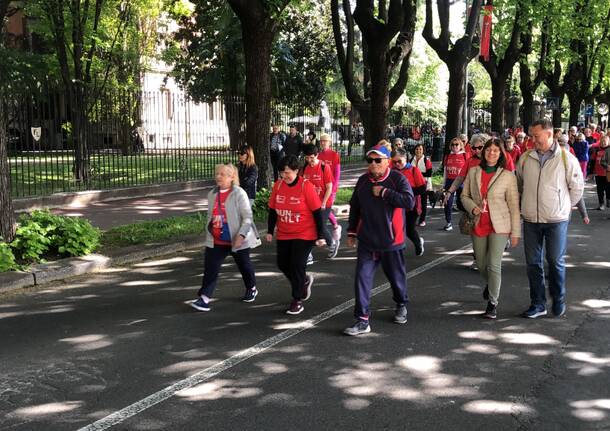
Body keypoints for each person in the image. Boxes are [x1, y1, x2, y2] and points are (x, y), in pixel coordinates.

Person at [344, 142, 414, 336]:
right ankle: (362, 319)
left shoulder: (397, 179)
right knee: (362, 278)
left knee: (396, 278)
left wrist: (384, 192)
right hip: (367, 240)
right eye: (370, 160)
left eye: (377, 160)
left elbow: (409, 201)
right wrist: (351, 232)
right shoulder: (363, 181)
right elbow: (355, 207)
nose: (373, 164)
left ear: (387, 162)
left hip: (392, 241)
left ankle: (401, 303)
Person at [516, 119, 584, 319]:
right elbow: (519, 183)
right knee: (533, 263)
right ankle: (538, 303)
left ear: (548, 134)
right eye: (531, 136)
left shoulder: (566, 158)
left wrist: (564, 206)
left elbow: (577, 187)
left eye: (536, 135)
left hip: (556, 219)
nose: (532, 139)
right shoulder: (526, 158)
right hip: (530, 219)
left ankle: (558, 298)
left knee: (555, 261)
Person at [461, 138, 521, 319]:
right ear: (483, 152)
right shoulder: (473, 172)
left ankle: (493, 302)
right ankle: (492, 284)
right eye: (488, 150)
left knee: (494, 264)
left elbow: (513, 205)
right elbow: (464, 196)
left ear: (501, 153)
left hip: (500, 224)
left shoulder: (508, 175)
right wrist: (472, 206)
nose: (491, 153)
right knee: (481, 265)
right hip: (479, 222)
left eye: (496, 150)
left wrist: (515, 233)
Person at [191, 164, 261, 312]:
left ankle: (251, 287)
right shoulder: (212, 194)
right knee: (211, 268)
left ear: (231, 177)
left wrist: (241, 235)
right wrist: (209, 230)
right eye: (217, 173)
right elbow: (210, 216)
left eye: (222, 174)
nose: (218, 176)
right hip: (217, 238)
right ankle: (204, 298)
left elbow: (247, 217)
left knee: (244, 265)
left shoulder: (239, 193)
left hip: (236, 238)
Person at [266, 155, 327, 315]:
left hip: (305, 233)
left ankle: (297, 299)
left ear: (296, 171)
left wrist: (321, 235)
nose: (284, 176)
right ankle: (303, 281)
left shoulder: (306, 186)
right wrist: (269, 231)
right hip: (285, 232)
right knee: (283, 264)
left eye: (287, 172)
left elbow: (317, 212)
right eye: (281, 172)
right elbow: (273, 209)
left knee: (297, 264)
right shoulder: (278, 186)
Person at [302, 144, 339, 258]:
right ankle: (308, 253)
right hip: (311, 203)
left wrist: (323, 202)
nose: (309, 160)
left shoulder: (324, 167)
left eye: (312, 158)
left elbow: (329, 187)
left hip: (324, 202)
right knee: (309, 226)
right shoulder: (305, 168)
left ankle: (332, 243)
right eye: (307, 158)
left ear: (317, 155)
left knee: (320, 226)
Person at [392, 148, 426, 256]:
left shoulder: (414, 170)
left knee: (409, 229)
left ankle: (418, 243)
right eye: (394, 162)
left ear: (405, 158)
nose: (397, 164)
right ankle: (397, 249)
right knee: (396, 228)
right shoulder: (392, 172)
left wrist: (407, 192)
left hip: (412, 205)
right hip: (397, 204)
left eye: (399, 161)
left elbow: (422, 188)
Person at [317, 133, 342, 243]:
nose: (323, 143)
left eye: (325, 141)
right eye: (321, 141)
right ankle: (336, 226)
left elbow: (337, 173)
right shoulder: (318, 155)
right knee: (323, 209)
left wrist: (334, 188)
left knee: (326, 208)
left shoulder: (334, 155)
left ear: (329, 142)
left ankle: (335, 228)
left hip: (331, 187)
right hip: (321, 188)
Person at [442, 137, 469, 231]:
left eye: (456, 144)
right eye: (452, 145)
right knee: (447, 203)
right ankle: (448, 222)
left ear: (461, 145)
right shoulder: (448, 156)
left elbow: (469, 171)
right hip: (449, 181)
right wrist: (443, 184)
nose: (454, 146)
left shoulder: (465, 156)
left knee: (463, 203)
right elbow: (445, 171)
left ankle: (469, 220)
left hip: (461, 182)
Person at [409, 143, 433, 226]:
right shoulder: (411, 160)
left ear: (423, 150)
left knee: (423, 203)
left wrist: (429, 187)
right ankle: (413, 218)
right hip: (413, 185)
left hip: (423, 185)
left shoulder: (427, 161)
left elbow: (429, 175)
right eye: (417, 149)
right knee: (413, 202)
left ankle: (422, 220)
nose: (418, 151)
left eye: (420, 149)